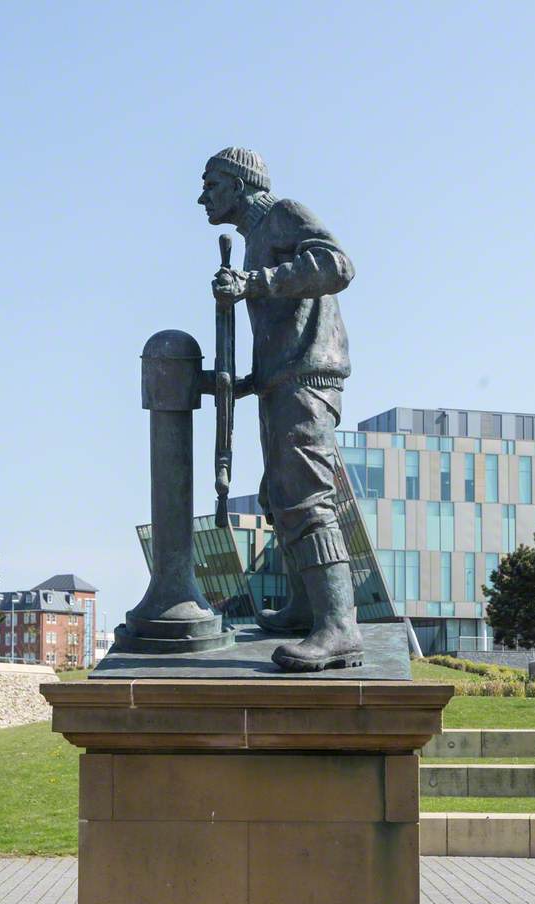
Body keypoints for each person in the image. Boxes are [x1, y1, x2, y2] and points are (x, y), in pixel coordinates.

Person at [198, 147, 362, 671]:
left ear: (240, 183)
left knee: (305, 495)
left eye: (212, 184)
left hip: (308, 376)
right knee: (277, 494)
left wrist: (255, 283)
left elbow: (337, 265)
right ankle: (304, 607)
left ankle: (338, 627)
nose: (203, 197)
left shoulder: (283, 214)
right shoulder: (254, 241)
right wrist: (250, 381)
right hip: (282, 380)